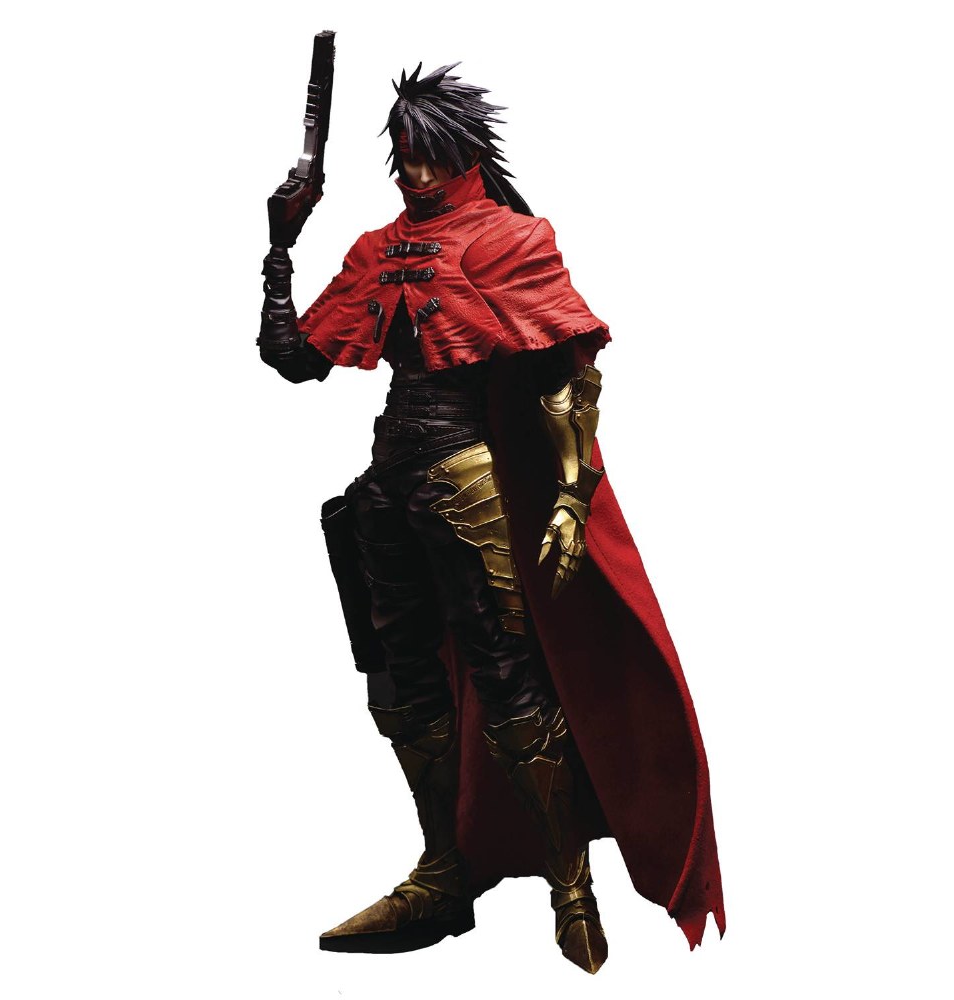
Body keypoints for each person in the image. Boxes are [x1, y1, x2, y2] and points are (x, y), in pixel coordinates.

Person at [258, 63, 725, 974]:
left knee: (511, 678)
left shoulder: (511, 239)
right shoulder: (376, 248)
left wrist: (570, 500)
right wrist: (281, 244)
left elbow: (568, 381)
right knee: (402, 682)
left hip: (469, 483)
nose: (416, 173)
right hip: (388, 485)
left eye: (430, 155)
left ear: (464, 151)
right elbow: (294, 357)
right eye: (404, 156)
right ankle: (445, 870)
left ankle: (571, 888)